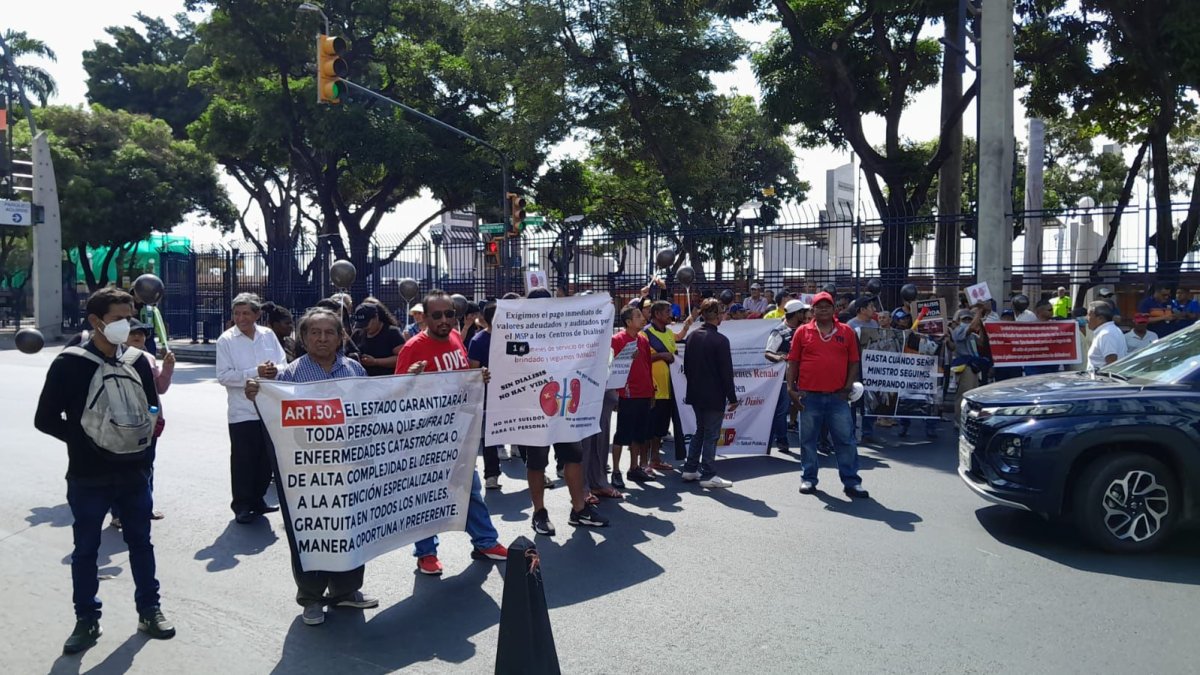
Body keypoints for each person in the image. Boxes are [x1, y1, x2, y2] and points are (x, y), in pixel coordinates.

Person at [34, 287, 176, 654]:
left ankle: (150, 610)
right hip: (88, 476)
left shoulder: (138, 361)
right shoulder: (70, 363)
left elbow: (151, 410)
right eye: (118, 319)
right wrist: (87, 441)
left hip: (135, 473)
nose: (126, 325)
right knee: (86, 550)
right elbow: (44, 418)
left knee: (141, 544)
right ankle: (86, 619)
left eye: (130, 318)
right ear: (96, 321)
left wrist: (141, 449)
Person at [244, 308, 378, 626]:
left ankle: (346, 590)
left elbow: (371, 411)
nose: (322, 338)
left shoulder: (355, 370)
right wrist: (258, 394)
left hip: (348, 468)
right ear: (303, 338)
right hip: (307, 473)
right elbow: (276, 417)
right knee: (312, 533)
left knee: (350, 529)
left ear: (340, 337)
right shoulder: (289, 375)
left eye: (329, 332)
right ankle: (312, 597)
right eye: (314, 332)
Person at [394, 290, 508, 575]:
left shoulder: (456, 338)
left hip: (458, 433)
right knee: (425, 495)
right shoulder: (413, 348)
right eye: (437, 315)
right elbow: (396, 393)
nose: (444, 320)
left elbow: (463, 377)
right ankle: (426, 553)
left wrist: (478, 377)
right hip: (425, 438)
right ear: (425, 318)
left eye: (449, 314)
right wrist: (410, 377)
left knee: (470, 489)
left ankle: (485, 541)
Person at [787, 291, 869, 498]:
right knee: (807, 441)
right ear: (813, 310)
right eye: (819, 306)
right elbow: (793, 361)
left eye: (827, 306)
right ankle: (808, 478)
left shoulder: (846, 331)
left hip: (837, 397)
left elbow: (854, 362)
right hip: (809, 396)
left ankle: (852, 482)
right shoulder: (802, 332)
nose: (823, 309)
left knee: (845, 441)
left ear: (834, 309)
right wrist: (791, 388)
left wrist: (847, 387)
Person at [216, 292, 287, 524]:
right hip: (242, 411)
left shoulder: (268, 335)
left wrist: (275, 370)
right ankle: (242, 505)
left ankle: (258, 499)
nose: (241, 318)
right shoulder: (226, 340)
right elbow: (224, 376)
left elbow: (283, 363)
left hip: (268, 409)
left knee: (266, 459)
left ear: (257, 314)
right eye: (237, 313)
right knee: (243, 461)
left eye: (246, 313)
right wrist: (255, 372)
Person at [111, 320, 173, 526]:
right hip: (123, 421)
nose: (137, 336)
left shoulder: (148, 357)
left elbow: (160, 388)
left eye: (141, 333)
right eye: (132, 333)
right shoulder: (115, 357)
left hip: (149, 419)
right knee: (122, 467)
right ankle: (118, 513)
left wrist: (168, 368)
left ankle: (145, 507)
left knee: (146, 465)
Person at [680, 298, 737, 489]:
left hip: (696, 393)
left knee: (701, 430)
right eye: (722, 313)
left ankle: (690, 468)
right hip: (714, 395)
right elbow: (726, 373)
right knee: (711, 434)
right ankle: (709, 474)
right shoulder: (720, 340)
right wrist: (732, 397)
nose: (723, 316)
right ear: (718, 316)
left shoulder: (692, 337)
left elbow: (686, 368)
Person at [610, 303, 656, 484]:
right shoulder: (617, 340)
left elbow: (648, 366)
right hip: (627, 394)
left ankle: (634, 468)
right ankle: (616, 471)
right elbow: (611, 366)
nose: (643, 319)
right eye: (638, 316)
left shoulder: (643, 340)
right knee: (622, 434)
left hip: (644, 393)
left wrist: (651, 391)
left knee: (639, 434)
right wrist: (616, 394)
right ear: (628, 322)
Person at [644, 300, 690, 474]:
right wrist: (661, 355)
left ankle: (655, 459)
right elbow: (640, 358)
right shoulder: (645, 334)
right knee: (649, 429)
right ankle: (643, 463)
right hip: (654, 390)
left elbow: (675, 347)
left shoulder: (669, 333)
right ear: (657, 314)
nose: (671, 314)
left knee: (661, 429)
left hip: (670, 389)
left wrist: (687, 326)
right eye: (667, 311)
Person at [467, 302, 505, 490]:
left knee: (494, 435)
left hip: (502, 393)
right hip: (492, 394)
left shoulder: (478, 340)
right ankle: (492, 474)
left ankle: (493, 475)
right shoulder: (479, 340)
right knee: (491, 434)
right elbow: (474, 370)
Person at [765, 299, 806, 454]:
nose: (805, 314)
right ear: (796, 314)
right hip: (783, 379)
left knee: (806, 408)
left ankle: (810, 441)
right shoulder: (779, 331)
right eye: (803, 312)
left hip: (804, 377)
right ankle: (782, 440)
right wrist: (780, 358)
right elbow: (768, 352)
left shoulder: (804, 329)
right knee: (782, 410)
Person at [845, 302, 879, 441]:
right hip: (855, 367)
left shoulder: (875, 324)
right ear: (862, 309)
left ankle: (868, 432)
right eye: (871, 307)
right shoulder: (850, 325)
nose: (874, 309)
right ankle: (851, 432)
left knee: (871, 399)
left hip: (871, 367)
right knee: (853, 398)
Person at [351, 300, 405, 377]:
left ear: (376, 317)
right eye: (361, 325)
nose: (364, 328)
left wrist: (376, 362)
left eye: (366, 323)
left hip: (387, 379)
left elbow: (402, 358)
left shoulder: (392, 333)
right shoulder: (357, 334)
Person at [1087, 301, 1127, 372]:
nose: (1087, 319)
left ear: (1100, 318)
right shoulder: (1109, 330)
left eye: (1089, 315)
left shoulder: (1106, 334)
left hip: (1102, 378)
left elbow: (1112, 365)